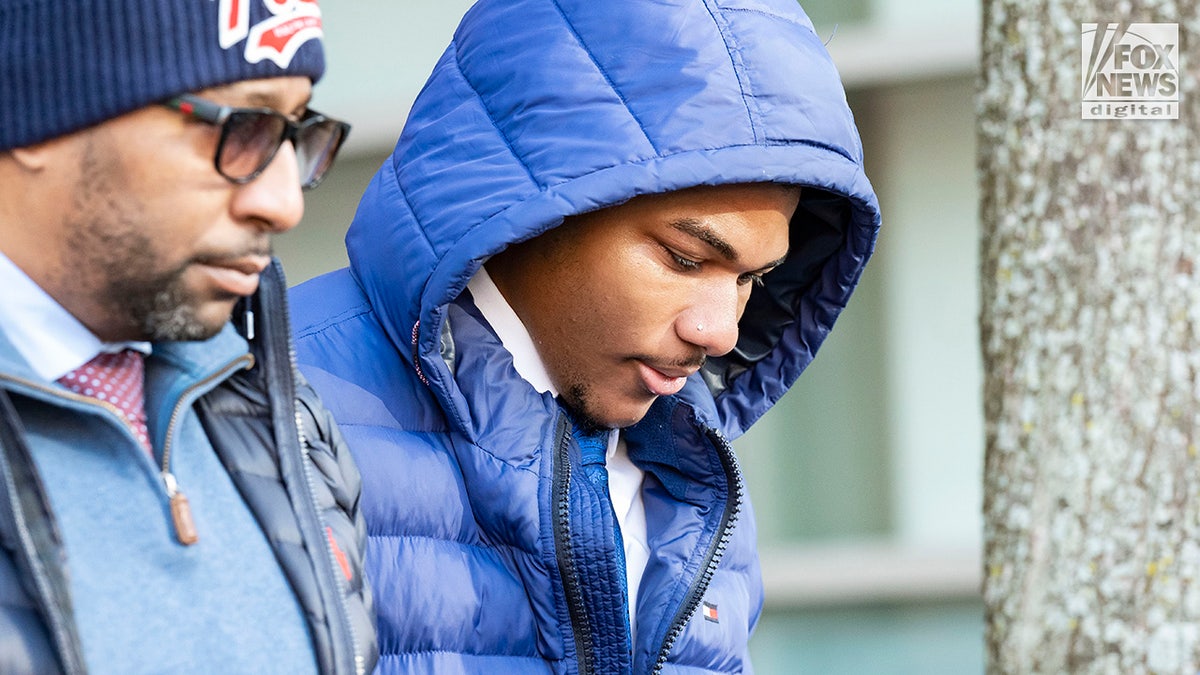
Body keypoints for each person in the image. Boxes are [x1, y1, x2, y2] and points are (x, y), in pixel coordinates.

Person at [292, 0, 879, 671]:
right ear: (535, 206)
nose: (719, 330)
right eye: (685, 258)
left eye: (754, 277)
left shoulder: (693, 468)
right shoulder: (270, 408)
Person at [0, 0, 377, 672]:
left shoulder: (283, 410)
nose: (284, 202)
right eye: (243, 127)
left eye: (296, 133)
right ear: (34, 110)